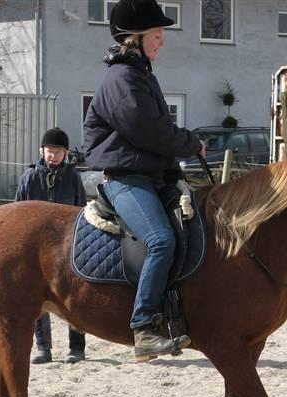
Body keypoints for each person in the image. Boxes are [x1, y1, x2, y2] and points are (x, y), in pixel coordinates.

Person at [83, 0, 205, 361]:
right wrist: (190, 142)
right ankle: (143, 327)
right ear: (135, 38)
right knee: (160, 241)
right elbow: (149, 131)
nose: (162, 41)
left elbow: (156, 131)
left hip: (150, 176)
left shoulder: (140, 75)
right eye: (157, 34)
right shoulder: (122, 80)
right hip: (126, 179)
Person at [15, 127, 88, 364]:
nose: (53, 155)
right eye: (49, 150)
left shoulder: (73, 177)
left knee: (73, 296)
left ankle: (77, 348)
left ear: (65, 153)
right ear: (42, 151)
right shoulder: (29, 177)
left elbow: (81, 210)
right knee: (36, 297)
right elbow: (17, 210)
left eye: (57, 151)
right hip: (35, 247)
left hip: (66, 246)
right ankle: (43, 348)